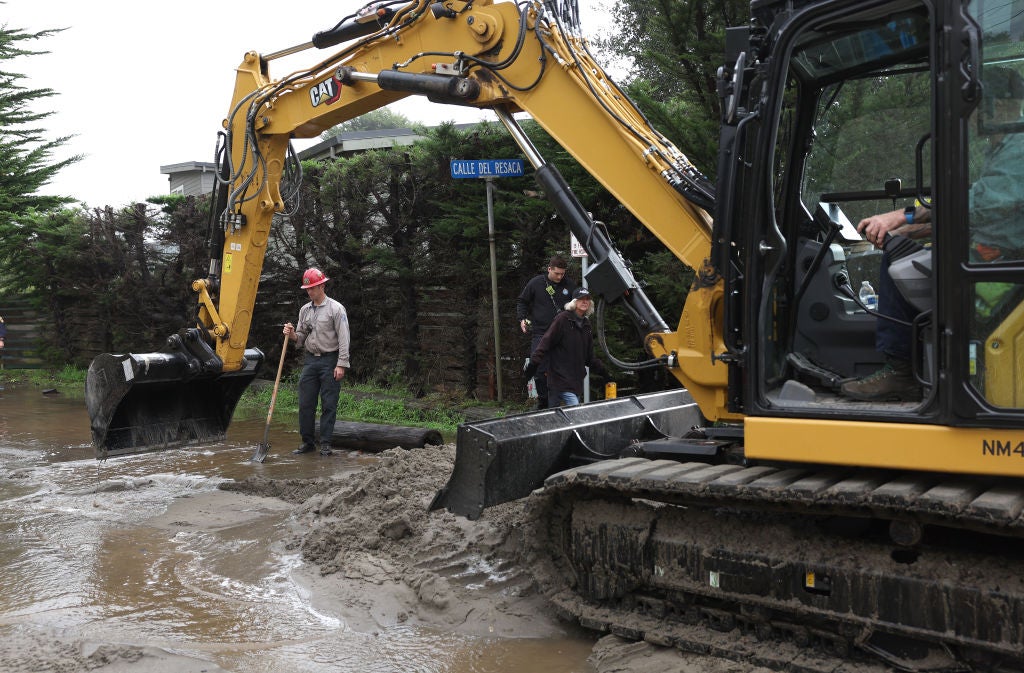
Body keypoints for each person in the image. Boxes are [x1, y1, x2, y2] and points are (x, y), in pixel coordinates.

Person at [841, 66, 1024, 401]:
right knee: (902, 246)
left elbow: (981, 203)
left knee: (897, 265)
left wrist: (902, 214)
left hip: (997, 266)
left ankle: (900, 372)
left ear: (1001, 106)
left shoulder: (1019, 147)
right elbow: (980, 213)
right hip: (990, 251)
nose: (971, 117)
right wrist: (912, 227)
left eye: (977, 107)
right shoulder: (1004, 148)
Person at [283, 268, 351, 455]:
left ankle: (326, 444)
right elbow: (301, 338)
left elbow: (344, 338)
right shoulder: (305, 310)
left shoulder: (336, 309)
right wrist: (291, 335)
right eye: (307, 289)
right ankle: (308, 442)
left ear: (322, 285)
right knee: (306, 403)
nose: (309, 292)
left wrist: (341, 364)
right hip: (311, 361)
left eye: (312, 288)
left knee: (329, 404)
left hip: (331, 360)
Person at [525, 287, 608, 408]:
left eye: (587, 299)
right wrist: (534, 363)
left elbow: (589, 358)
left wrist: (604, 373)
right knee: (575, 414)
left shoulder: (586, 325)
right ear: (574, 302)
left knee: (556, 417)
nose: (584, 302)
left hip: (575, 381)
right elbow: (545, 342)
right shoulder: (563, 319)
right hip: (559, 378)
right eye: (581, 299)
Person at [515, 255, 577, 408]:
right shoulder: (536, 283)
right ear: (549, 269)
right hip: (541, 334)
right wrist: (522, 318)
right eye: (557, 273)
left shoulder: (569, 285)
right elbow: (522, 301)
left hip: (563, 336)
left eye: (562, 274)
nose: (560, 276)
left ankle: (560, 404)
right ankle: (544, 401)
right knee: (539, 371)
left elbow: (580, 306)